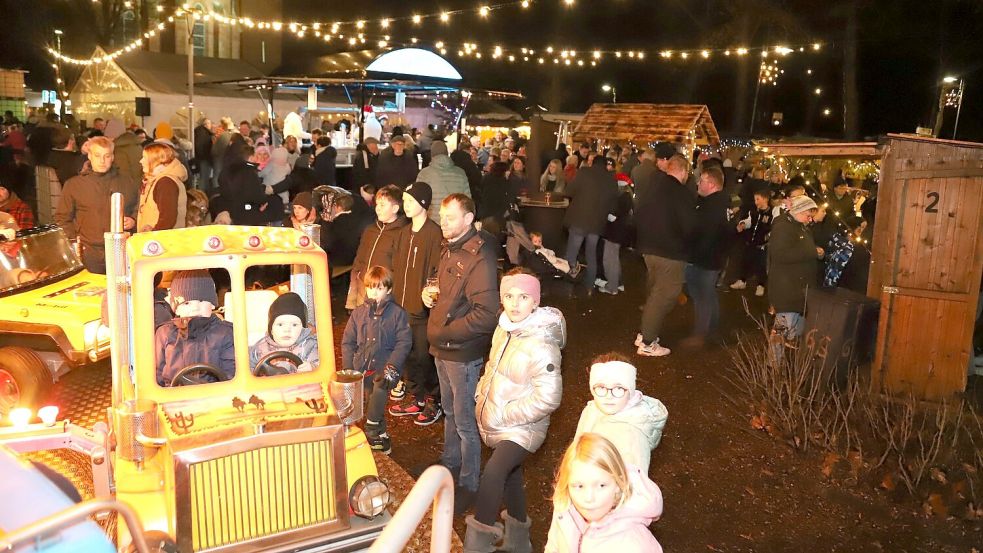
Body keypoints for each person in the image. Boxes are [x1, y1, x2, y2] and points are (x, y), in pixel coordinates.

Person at [465, 268, 565, 552]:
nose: (514, 303)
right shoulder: (504, 328)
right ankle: (519, 543)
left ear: (535, 301)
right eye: (508, 296)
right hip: (501, 417)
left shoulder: (542, 344)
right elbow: (492, 367)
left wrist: (505, 414)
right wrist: (481, 392)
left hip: (524, 425)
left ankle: (477, 545)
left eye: (523, 297)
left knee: (494, 472)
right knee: (511, 476)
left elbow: (549, 397)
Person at [422, 193, 499, 513]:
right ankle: (449, 463)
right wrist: (431, 296)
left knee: (465, 420)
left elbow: (486, 313)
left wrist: (446, 331)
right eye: (442, 215)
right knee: (450, 410)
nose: (444, 222)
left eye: (451, 217)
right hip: (442, 347)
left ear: (468, 219)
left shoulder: (479, 257)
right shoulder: (450, 248)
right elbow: (449, 294)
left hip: (461, 352)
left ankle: (469, 482)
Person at [545, 433, 664, 553]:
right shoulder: (568, 512)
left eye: (601, 486)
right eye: (579, 486)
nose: (588, 498)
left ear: (619, 484)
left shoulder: (632, 545)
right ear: (566, 484)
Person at [389, 182, 445, 425]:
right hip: (401, 308)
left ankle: (435, 400)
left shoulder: (434, 233)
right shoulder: (403, 232)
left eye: (410, 200)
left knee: (425, 357)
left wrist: (429, 297)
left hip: (421, 310)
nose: (405, 205)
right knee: (407, 356)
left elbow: (436, 271)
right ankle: (417, 396)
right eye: (404, 200)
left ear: (423, 204)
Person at [341, 266, 412, 454]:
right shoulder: (358, 313)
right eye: (371, 287)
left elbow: (404, 342)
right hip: (362, 368)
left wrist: (392, 365)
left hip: (385, 368)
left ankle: (372, 429)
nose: (374, 292)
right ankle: (381, 434)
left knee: (379, 392)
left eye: (379, 288)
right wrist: (349, 369)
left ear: (388, 289)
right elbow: (348, 342)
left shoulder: (397, 313)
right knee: (370, 401)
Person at [634, 154, 696, 356]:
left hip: (648, 248)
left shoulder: (653, 185)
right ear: (684, 171)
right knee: (664, 295)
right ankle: (648, 343)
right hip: (670, 251)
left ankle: (644, 334)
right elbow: (688, 226)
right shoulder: (681, 193)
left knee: (653, 291)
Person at [54, 136, 137, 274]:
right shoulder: (74, 185)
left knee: (121, 291)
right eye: (97, 155)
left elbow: (138, 207)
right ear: (90, 156)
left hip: (121, 249)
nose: (102, 161)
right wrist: (75, 241)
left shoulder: (127, 182)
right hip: (89, 252)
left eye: (107, 156)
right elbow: (62, 217)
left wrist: (133, 220)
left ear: (112, 157)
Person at [154, 270, 235, 387]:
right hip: (175, 399)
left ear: (213, 304)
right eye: (187, 303)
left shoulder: (226, 333)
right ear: (176, 309)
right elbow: (157, 376)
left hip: (215, 399)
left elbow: (231, 374)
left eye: (202, 301)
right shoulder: (164, 334)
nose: (195, 308)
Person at [683, 166, 734, 346]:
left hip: (705, 260)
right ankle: (711, 328)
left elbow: (707, 235)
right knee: (708, 295)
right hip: (712, 259)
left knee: (702, 296)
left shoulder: (712, 206)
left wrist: (693, 255)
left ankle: (700, 334)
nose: (698, 182)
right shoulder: (719, 203)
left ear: (711, 184)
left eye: (702, 180)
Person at [768, 194, 824, 349]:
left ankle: (788, 362)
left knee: (795, 330)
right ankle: (773, 365)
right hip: (787, 289)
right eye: (808, 215)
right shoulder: (783, 227)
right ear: (799, 211)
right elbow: (780, 254)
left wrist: (816, 252)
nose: (810, 219)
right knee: (780, 330)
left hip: (798, 289)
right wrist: (812, 252)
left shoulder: (801, 227)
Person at [563, 155, 618, 294]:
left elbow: (569, 191)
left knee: (572, 252)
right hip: (597, 223)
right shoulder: (611, 179)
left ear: (592, 163)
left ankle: (569, 280)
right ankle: (589, 286)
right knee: (591, 254)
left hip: (579, 220)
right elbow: (613, 202)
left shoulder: (584, 173)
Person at [347, 185, 408, 310]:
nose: (378, 209)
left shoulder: (402, 233)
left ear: (395, 208)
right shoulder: (370, 230)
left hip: (384, 293)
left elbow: (400, 268)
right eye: (377, 204)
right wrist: (355, 283)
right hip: (364, 289)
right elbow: (359, 259)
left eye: (382, 205)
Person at [248, 292, 319, 375]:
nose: (287, 330)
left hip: (301, 386)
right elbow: (248, 370)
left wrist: (313, 367)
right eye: (280, 324)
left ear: (302, 329)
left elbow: (323, 368)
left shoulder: (309, 346)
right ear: (271, 329)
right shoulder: (259, 348)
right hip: (269, 387)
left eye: (294, 325)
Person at [137, 143, 188, 233]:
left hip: (161, 243)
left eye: (145, 158)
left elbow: (168, 218)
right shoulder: (157, 180)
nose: (141, 161)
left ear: (156, 161)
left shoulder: (165, 183)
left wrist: (153, 233)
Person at [731, 189, 773, 296]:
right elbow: (749, 221)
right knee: (745, 261)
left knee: (760, 265)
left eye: (758, 199)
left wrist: (767, 237)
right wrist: (743, 224)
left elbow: (772, 228)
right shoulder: (753, 211)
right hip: (750, 242)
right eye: (755, 200)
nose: (756, 202)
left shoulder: (771, 213)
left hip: (761, 245)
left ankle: (761, 285)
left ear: (765, 199)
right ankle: (742, 280)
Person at [417, 141, 471, 223]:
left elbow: (418, 202)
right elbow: (467, 201)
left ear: (432, 155)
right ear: (447, 153)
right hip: (455, 222)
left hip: (432, 223)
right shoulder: (461, 173)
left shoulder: (424, 174)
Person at [193, 118, 213, 191]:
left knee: (202, 179)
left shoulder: (199, 132)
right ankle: (203, 197)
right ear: (205, 124)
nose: (211, 125)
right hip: (204, 159)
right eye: (210, 123)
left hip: (201, 159)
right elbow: (200, 146)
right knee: (204, 180)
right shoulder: (203, 133)